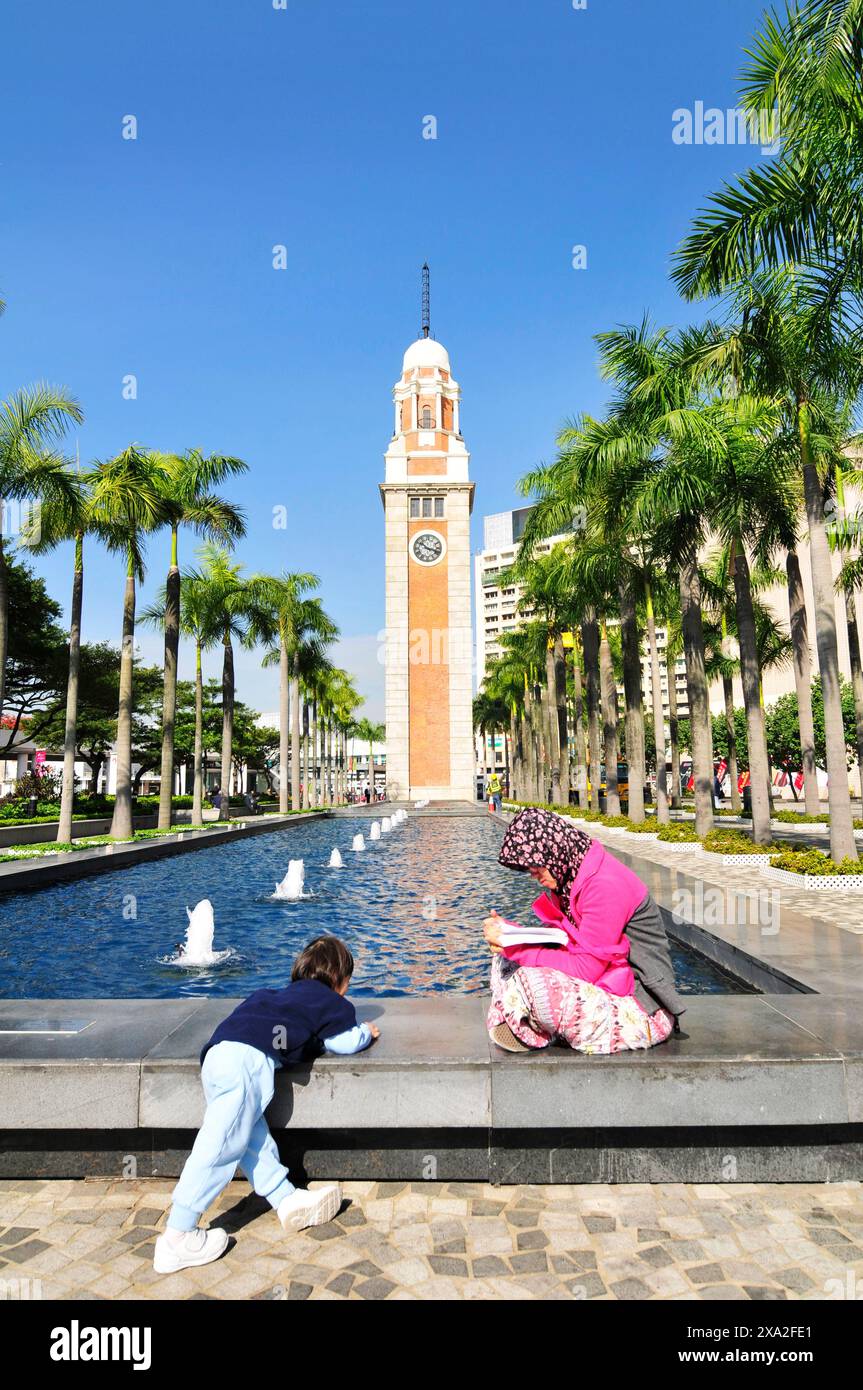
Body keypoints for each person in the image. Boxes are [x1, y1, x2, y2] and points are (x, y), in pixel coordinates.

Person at [153, 936, 379, 1275]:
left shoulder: (273, 996)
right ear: (341, 982)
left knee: (247, 1134)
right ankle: (178, 1235)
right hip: (246, 1062)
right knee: (221, 1144)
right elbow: (344, 1043)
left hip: (217, 1054)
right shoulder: (333, 1003)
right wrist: (367, 1032)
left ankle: (285, 1198)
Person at [484, 807, 685, 1054]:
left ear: (554, 850)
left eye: (536, 867)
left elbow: (586, 968)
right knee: (505, 961)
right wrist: (510, 935)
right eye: (530, 870)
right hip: (608, 985)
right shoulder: (572, 877)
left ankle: (537, 1029)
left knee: (532, 981)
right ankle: (536, 1022)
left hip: (642, 1008)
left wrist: (519, 949)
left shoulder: (603, 885)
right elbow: (565, 945)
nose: (535, 877)